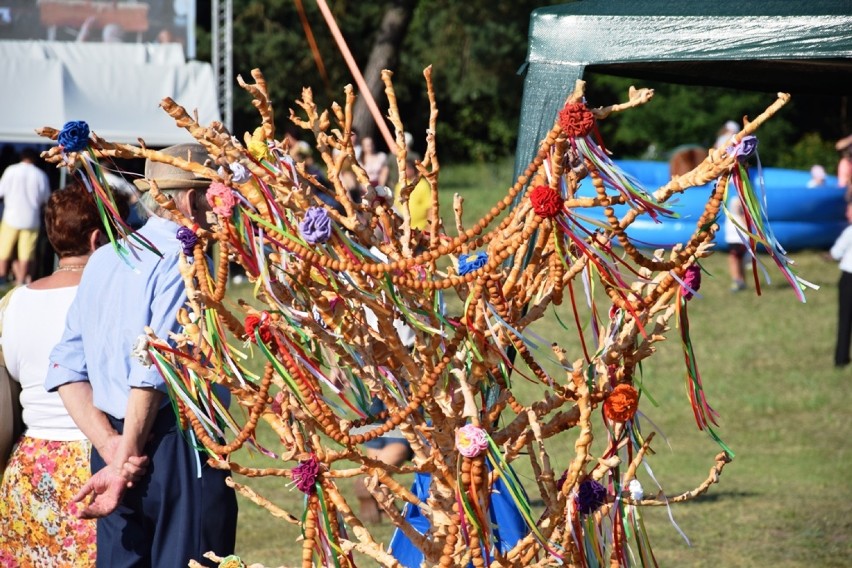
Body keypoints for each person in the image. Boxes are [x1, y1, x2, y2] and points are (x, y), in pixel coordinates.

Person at [44, 144, 238, 567]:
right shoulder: (178, 261)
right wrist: (123, 454)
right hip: (173, 444)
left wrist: (111, 447)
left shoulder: (104, 259)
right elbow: (153, 367)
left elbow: (64, 366)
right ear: (190, 199)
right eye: (216, 196)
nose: (225, 210)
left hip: (115, 443)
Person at [0, 183, 134, 566]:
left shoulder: (12, 302)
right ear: (98, 238)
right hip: (97, 462)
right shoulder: (116, 296)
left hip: (30, 464)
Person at [0, 147, 50, 285]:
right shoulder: (40, 175)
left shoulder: (10, 170)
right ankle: (21, 280)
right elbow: (45, 199)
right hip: (31, 218)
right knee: (26, 252)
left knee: (4, 249)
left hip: (10, 216)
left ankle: (2, 276)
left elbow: (1, 191)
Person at [830, 201, 852, 368]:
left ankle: (841, 358)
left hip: (849, 278)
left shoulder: (849, 232)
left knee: (845, 319)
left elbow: (836, 253)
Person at [394, 159, 431, 231]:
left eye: (406, 169)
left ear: (412, 169)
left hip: (421, 227)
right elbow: (396, 205)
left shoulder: (422, 184)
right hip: (403, 228)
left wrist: (429, 227)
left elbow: (430, 207)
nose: (403, 172)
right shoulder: (400, 185)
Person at [724, 198, 748, 291]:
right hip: (734, 235)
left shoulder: (739, 200)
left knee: (734, 257)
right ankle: (741, 281)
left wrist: (750, 230)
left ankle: (737, 281)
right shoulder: (735, 200)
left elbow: (743, 216)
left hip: (739, 235)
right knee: (738, 258)